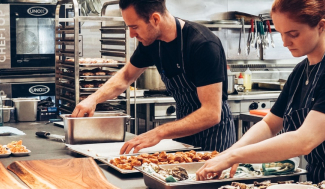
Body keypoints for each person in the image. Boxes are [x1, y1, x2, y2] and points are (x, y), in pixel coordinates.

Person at [196, 0, 325, 188]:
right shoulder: (301, 71)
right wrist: (228, 154)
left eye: (293, 34)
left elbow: (304, 140)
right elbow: (270, 124)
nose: (285, 42)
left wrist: (236, 156)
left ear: (321, 25)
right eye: (280, 33)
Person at [71, 0, 236, 154]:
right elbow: (126, 76)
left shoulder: (202, 44)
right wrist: (93, 99)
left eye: (134, 26)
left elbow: (211, 113)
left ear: (155, 19)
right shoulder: (151, 42)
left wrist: (159, 132)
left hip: (214, 138)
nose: (131, 34)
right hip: (183, 132)